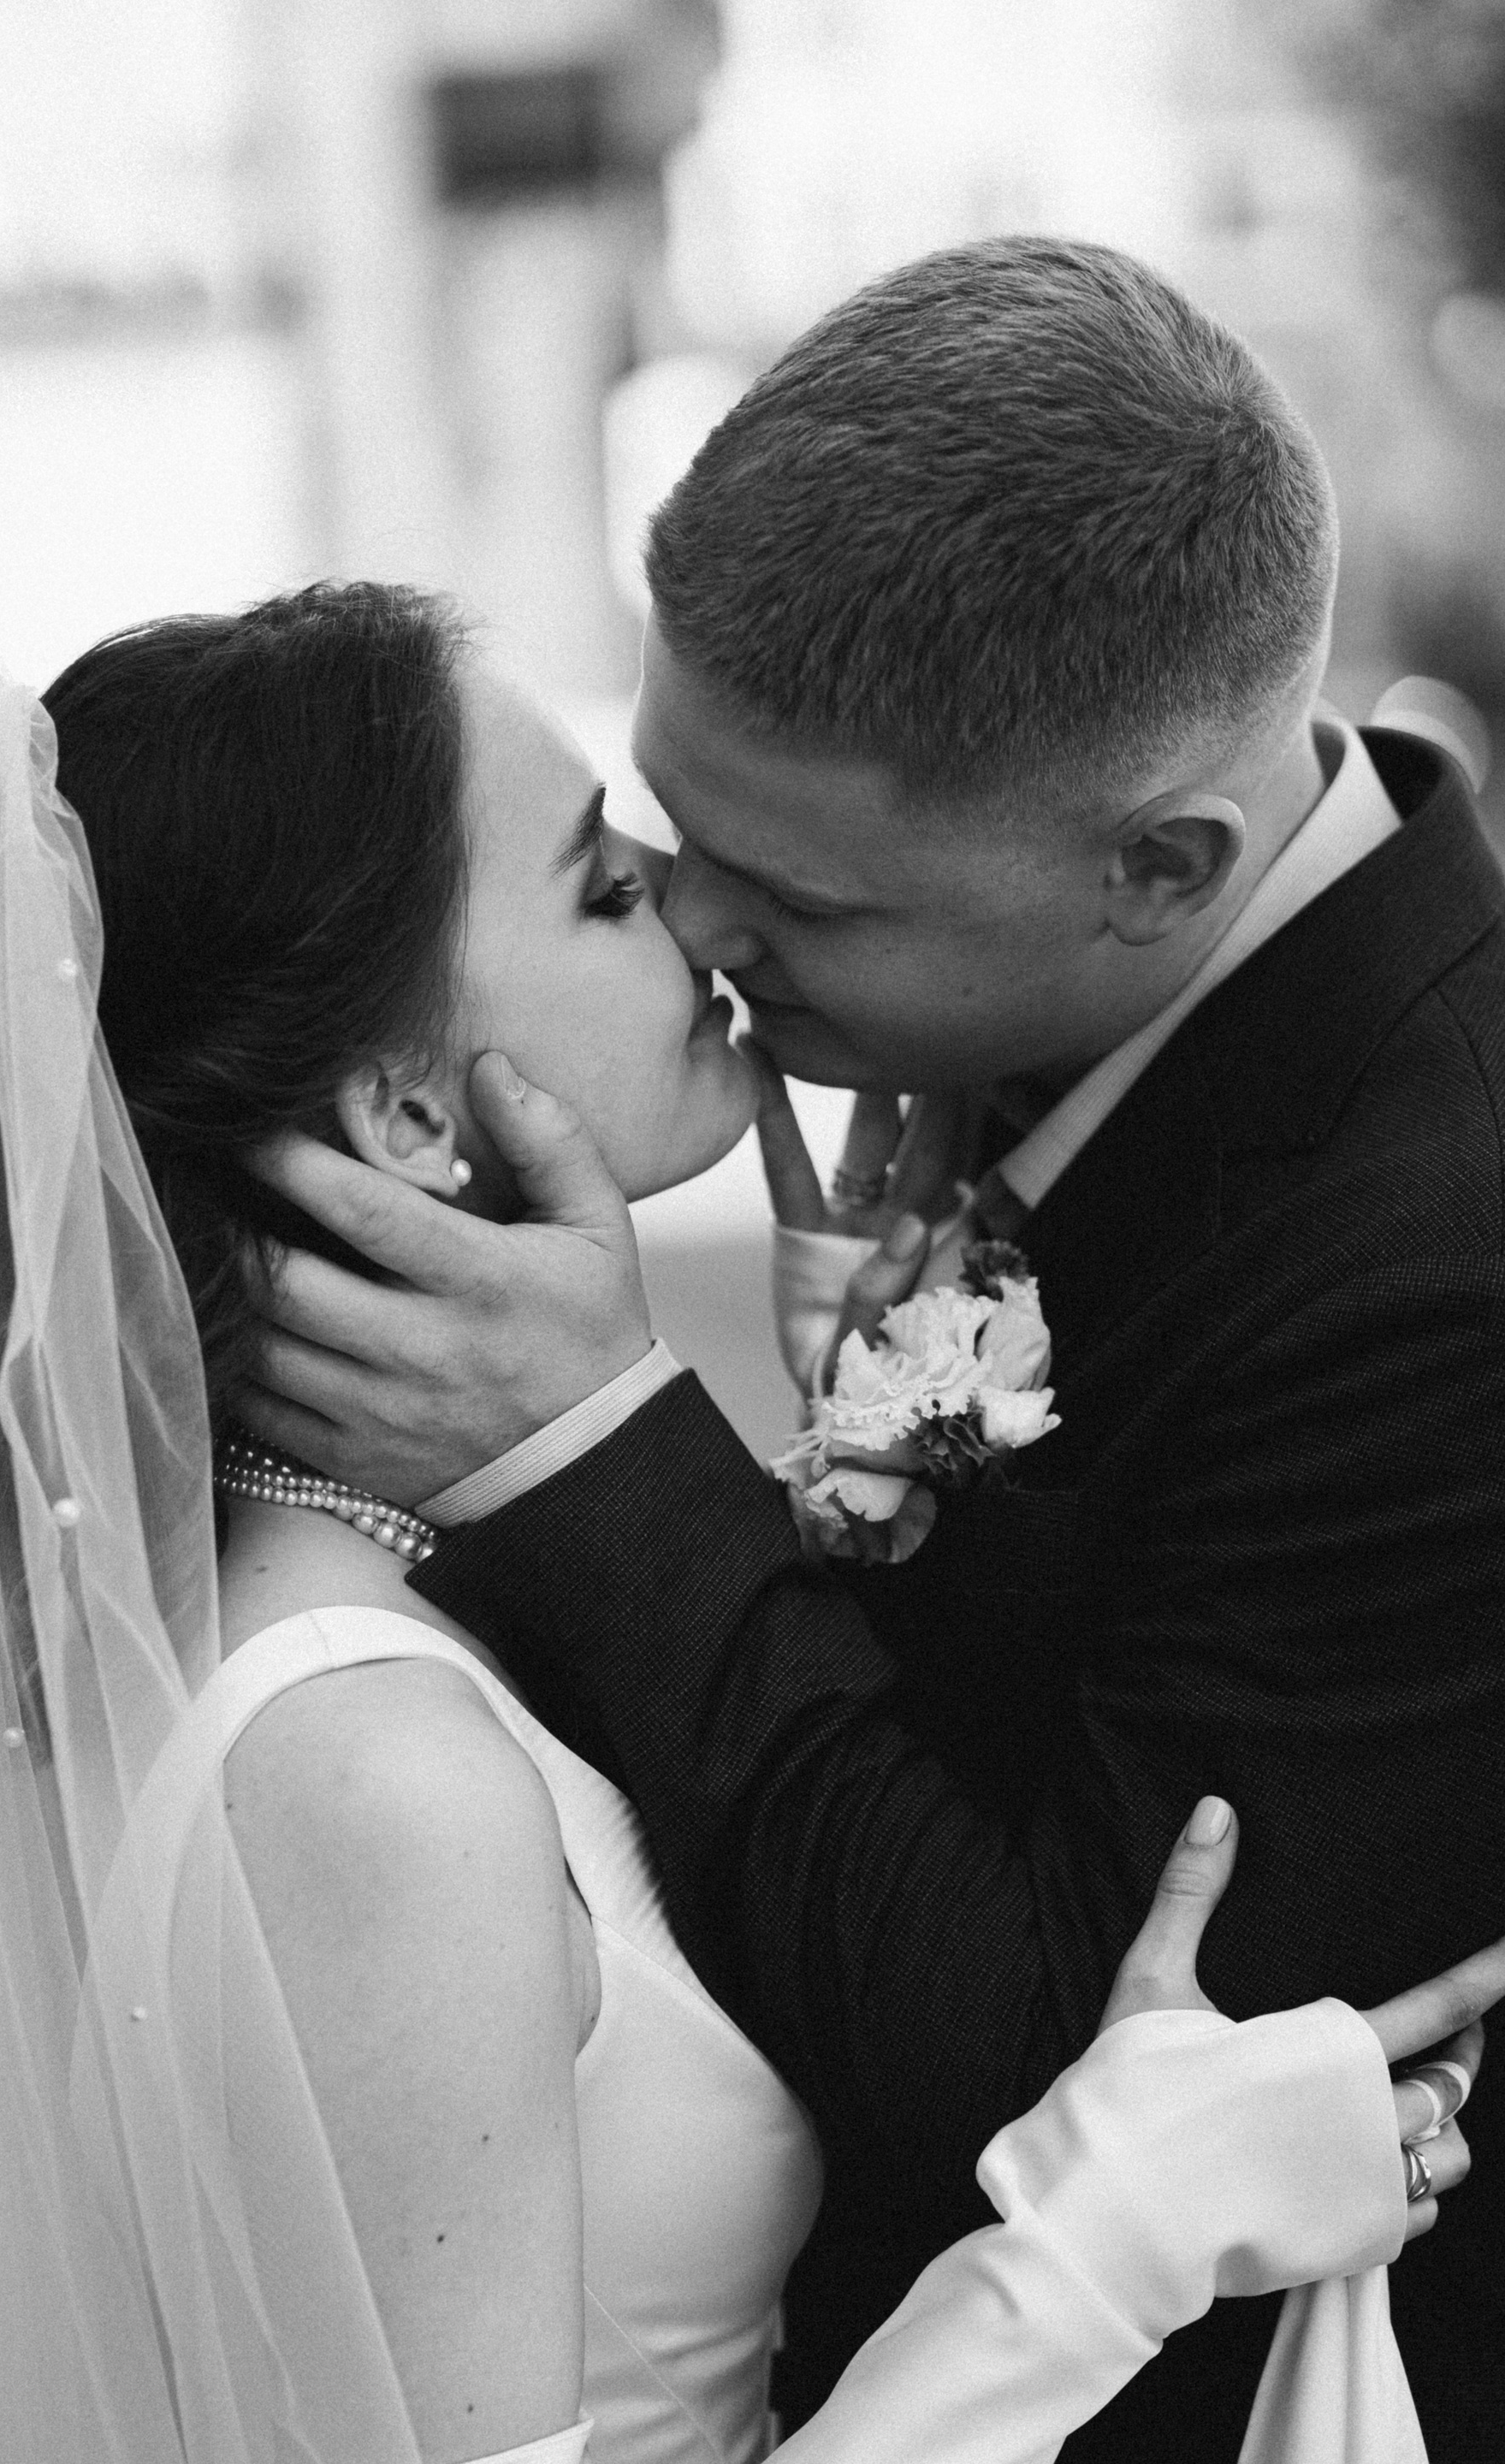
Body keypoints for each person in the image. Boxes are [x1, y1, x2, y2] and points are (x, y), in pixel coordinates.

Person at [0, 622, 1495, 2464]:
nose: (691, 910)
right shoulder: (365, 1771)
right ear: (410, 1113)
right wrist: (1107, 2239)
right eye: (598, 885)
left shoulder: (418, 1584)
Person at [239, 240, 1505, 2460]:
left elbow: (1033, 2064)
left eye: (802, 901)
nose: (696, 929)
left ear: (1159, 864)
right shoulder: (1067, 1017)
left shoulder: (1441, 1276)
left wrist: (603, 1451)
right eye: (670, 832)